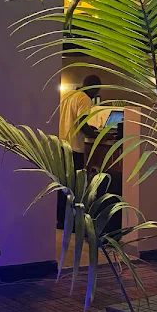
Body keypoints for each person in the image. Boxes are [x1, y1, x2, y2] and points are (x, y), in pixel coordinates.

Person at [57, 74, 108, 228]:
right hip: (74, 148)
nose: (96, 94)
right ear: (93, 88)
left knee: (62, 186)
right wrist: (99, 135)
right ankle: (71, 223)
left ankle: (61, 220)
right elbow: (82, 125)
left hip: (61, 145)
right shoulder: (84, 98)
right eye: (97, 91)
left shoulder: (69, 95)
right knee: (74, 188)